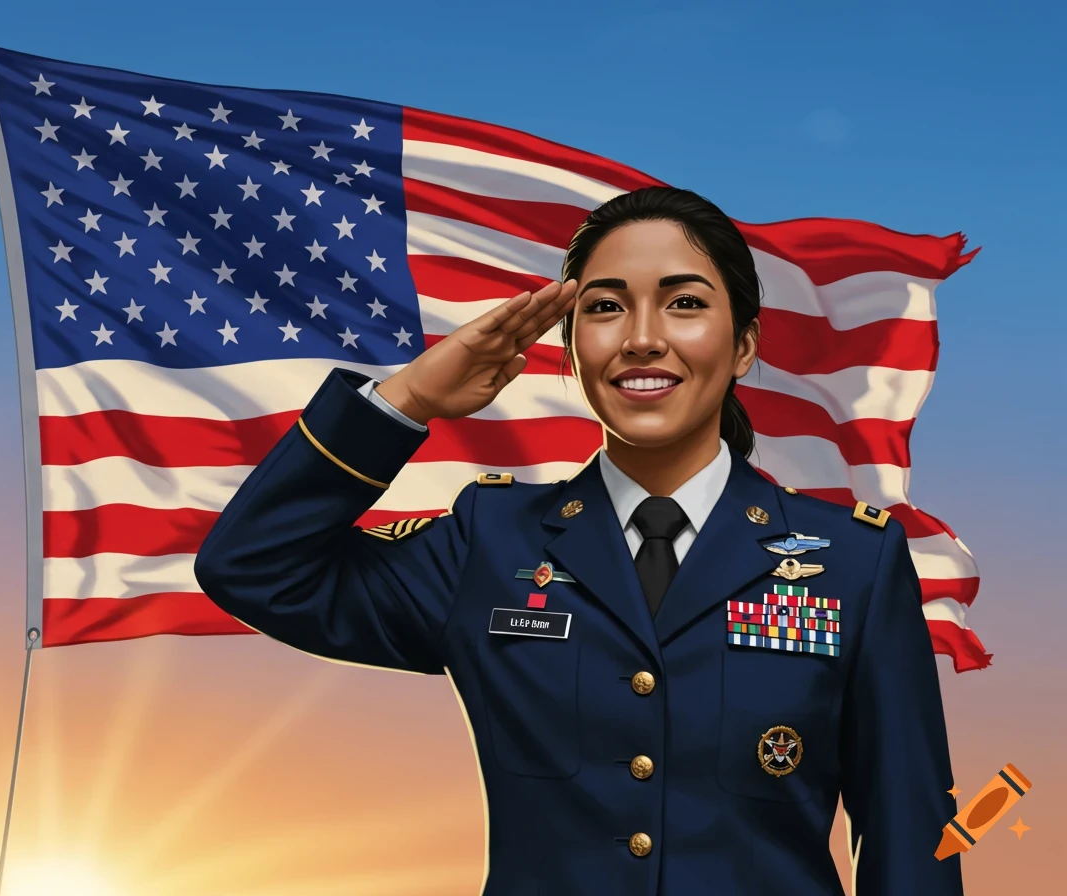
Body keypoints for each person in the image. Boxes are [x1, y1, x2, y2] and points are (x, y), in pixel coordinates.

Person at [194, 187, 963, 895]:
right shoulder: (491, 542)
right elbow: (255, 566)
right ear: (571, 347)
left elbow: (908, 834)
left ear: (743, 345)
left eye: (685, 303)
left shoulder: (853, 562)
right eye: (605, 308)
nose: (643, 339)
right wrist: (409, 399)